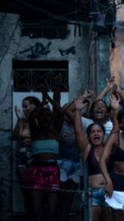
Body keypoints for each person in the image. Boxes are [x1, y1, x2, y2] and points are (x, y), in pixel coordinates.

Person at [74, 95, 114, 221]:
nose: (96, 134)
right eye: (93, 132)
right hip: (92, 194)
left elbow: (116, 131)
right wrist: (78, 110)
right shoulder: (87, 148)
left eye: (99, 131)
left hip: (110, 193)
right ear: (89, 136)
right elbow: (78, 131)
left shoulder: (109, 148)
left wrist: (116, 110)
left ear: (104, 135)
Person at [27, 84, 64, 221]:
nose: (45, 118)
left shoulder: (55, 131)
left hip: (52, 170)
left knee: (52, 212)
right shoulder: (35, 132)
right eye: (42, 116)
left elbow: (60, 112)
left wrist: (48, 97)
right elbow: (31, 118)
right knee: (36, 211)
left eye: (48, 116)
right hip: (36, 169)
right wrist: (42, 104)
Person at [12, 96, 41, 216]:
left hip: (36, 157)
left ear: (34, 106)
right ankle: (30, 214)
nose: (24, 109)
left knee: (37, 188)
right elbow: (15, 137)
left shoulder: (41, 120)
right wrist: (19, 120)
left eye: (26, 106)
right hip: (23, 157)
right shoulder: (23, 121)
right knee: (26, 188)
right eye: (23, 106)